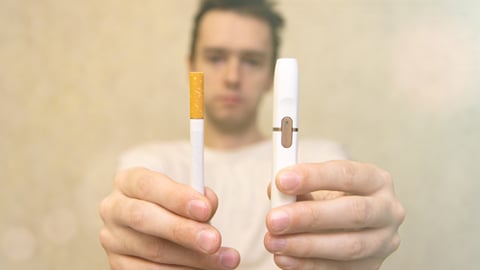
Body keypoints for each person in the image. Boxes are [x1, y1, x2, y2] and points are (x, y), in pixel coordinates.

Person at [99, 0, 405, 269]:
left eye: (251, 61)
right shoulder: (150, 165)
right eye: (216, 57)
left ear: (272, 76)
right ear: (191, 67)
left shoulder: (318, 162)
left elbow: (350, 231)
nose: (233, 77)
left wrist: (362, 240)